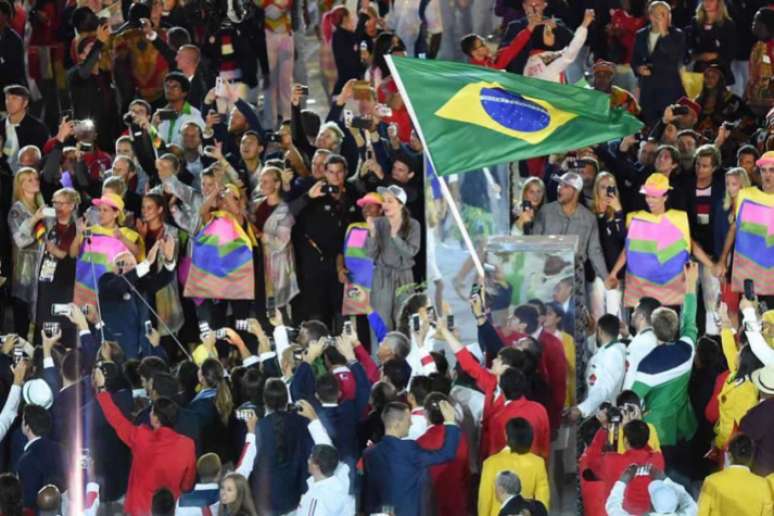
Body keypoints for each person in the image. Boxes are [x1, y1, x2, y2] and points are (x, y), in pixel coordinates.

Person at [627, 262, 699, 483]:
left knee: (665, 482)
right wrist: (690, 285)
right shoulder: (687, 348)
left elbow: (631, 400)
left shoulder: (647, 365)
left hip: (660, 434)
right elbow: (690, 320)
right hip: (686, 427)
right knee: (685, 478)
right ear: (675, 329)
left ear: (654, 331)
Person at [94, 367, 196, 516]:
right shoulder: (188, 445)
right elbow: (187, 484)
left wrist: (102, 389)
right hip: (169, 510)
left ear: (155, 419)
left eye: (152, 411)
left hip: (139, 510)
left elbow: (117, 420)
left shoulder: (141, 437)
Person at [362, 399, 461, 516]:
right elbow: (446, 454)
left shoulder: (369, 453)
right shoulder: (408, 449)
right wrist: (450, 422)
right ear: (396, 424)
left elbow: (371, 494)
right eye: (408, 420)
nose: (411, 423)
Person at [366, 185, 420, 329]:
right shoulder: (377, 223)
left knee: (403, 320)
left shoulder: (413, 225)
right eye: (384, 201)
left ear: (401, 204)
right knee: (381, 321)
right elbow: (370, 254)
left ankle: (404, 351)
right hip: (381, 277)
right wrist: (371, 234)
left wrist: (395, 236)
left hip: (404, 276)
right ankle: (383, 351)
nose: (385, 204)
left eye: (390, 201)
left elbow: (411, 252)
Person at [252, 166, 299, 316]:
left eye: (266, 181)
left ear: (277, 184)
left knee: (279, 307)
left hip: (277, 264)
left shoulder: (285, 210)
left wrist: (263, 236)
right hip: (258, 261)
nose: (262, 185)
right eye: (261, 181)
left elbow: (281, 242)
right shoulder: (257, 204)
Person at [479, 417, 550, 516]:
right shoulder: (538, 463)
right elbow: (542, 502)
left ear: (506, 436)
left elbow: (485, 501)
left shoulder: (490, 463)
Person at [9, 168, 49, 336]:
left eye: (36, 178)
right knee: (22, 325)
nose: (35, 181)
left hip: (44, 270)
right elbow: (20, 240)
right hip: (24, 271)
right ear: (21, 185)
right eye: (29, 180)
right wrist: (35, 219)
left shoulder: (43, 206)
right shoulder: (17, 210)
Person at [631, 1, 687, 125]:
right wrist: (638, 69)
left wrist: (663, 32)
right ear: (650, 16)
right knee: (649, 126)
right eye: (659, 14)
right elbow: (634, 59)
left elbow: (674, 56)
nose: (663, 17)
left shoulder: (678, 35)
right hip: (647, 90)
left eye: (666, 14)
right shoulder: (641, 35)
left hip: (669, 90)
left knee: (669, 126)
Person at [697, 433, 774, 515]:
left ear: (729, 455)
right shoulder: (764, 486)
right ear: (751, 457)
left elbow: (701, 513)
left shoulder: (711, 481)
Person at [16, 405, 63, 511]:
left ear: (27, 426)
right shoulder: (60, 449)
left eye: (23, 420)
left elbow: (28, 500)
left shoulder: (27, 459)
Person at [296, 444, 355, 516]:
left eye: (310, 458)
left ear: (316, 465)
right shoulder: (341, 487)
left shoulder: (316, 498)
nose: (308, 461)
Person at [1, 85, 49, 172]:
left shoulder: (37, 128)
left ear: (25, 103)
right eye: (7, 98)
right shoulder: (1, 126)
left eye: (14, 98)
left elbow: (45, 155)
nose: (9, 102)